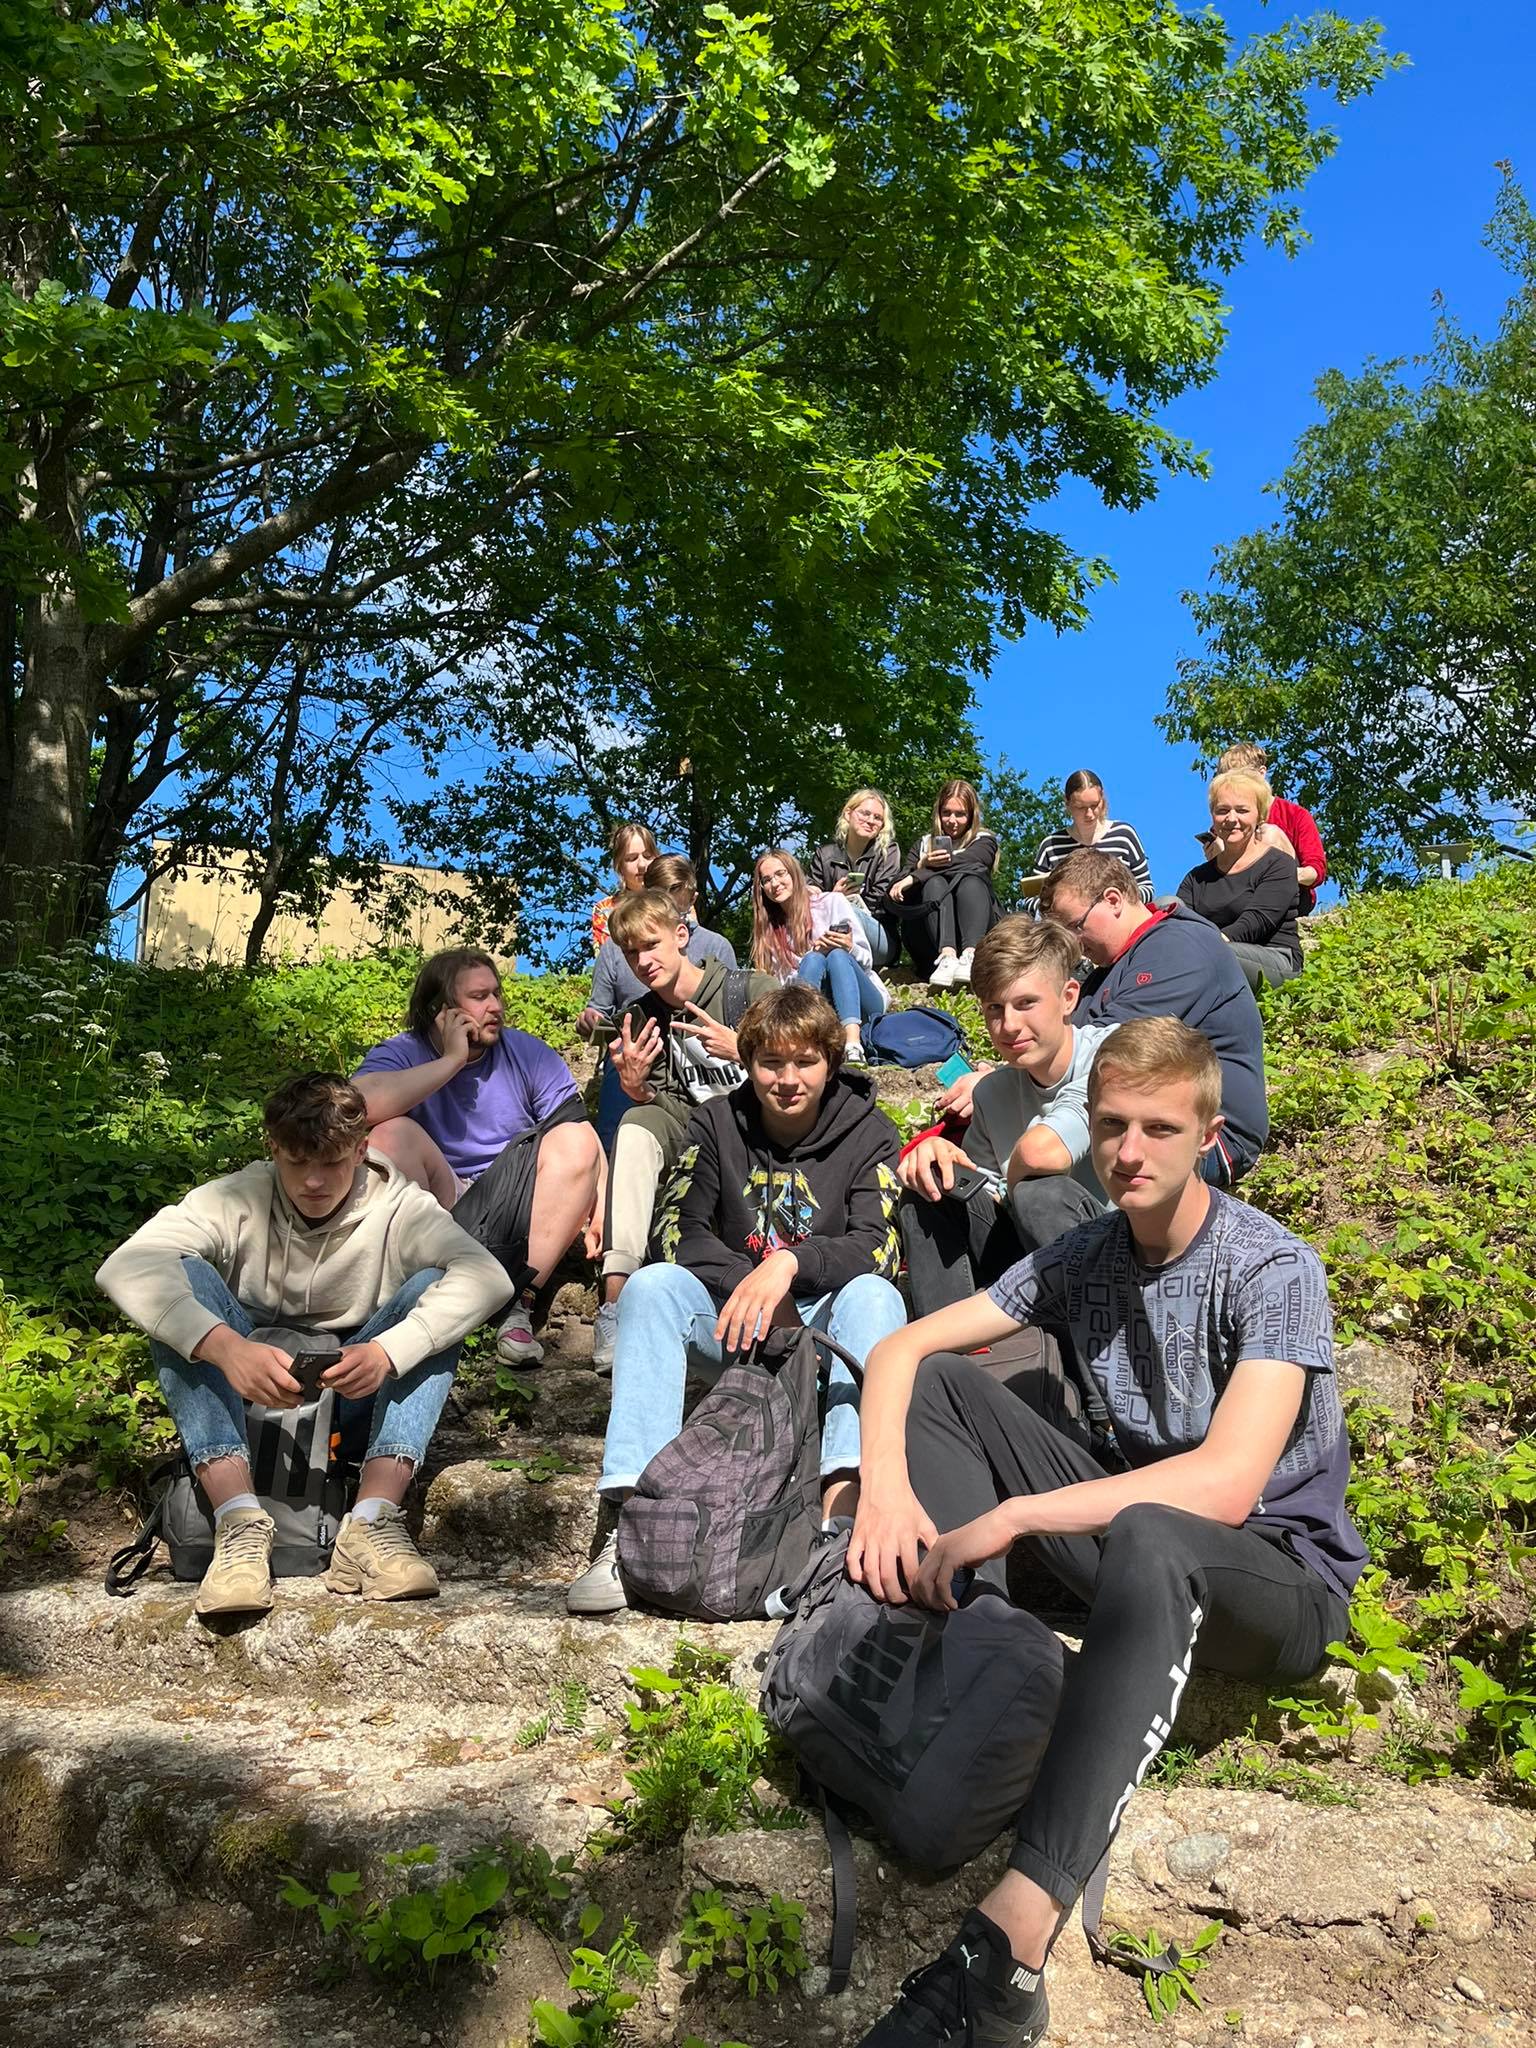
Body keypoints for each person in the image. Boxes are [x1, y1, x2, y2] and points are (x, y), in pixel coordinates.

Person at [849, 1018, 1366, 2048]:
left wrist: (1013, 1514)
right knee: (948, 1385)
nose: (1130, 1150)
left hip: (1277, 1576)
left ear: (1208, 1135)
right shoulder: (1085, 1252)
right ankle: (980, 1658)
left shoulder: (1272, 1266)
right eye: (1113, 1124)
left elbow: (1224, 1486)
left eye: (1159, 1128)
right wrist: (883, 1492)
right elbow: (905, 1349)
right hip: (1138, 1545)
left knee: (1158, 1531)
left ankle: (1010, 1945)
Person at [96, 1073, 510, 1619]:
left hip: (350, 1397)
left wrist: (389, 1351)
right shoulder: (236, 1196)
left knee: (434, 1292)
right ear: (273, 1148)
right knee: (180, 1280)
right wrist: (224, 1348)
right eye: (296, 1162)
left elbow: (488, 1278)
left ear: (361, 1150)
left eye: (333, 1162)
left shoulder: (400, 1206)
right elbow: (126, 1265)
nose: (314, 1181)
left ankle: (372, 1523)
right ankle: (238, 1523)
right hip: (242, 1394)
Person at [567, 985, 907, 1614]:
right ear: (746, 1061)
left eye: (805, 1061)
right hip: (734, 1319)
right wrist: (746, 1281)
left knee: (876, 1295)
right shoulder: (716, 1122)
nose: (787, 1079)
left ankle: (841, 1519)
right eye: (770, 1062)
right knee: (651, 1286)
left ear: (831, 1062)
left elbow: (877, 1245)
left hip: (826, 1327)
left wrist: (789, 1265)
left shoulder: (870, 1131)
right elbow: (677, 1228)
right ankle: (632, 1528)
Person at [353, 949, 603, 1367]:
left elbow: (581, 1131)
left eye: (496, 994)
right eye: (479, 997)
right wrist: (451, 1061)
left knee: (575, 1139)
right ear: (440, 1009)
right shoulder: (404, 1052)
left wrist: (602, 1201)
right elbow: (356, 1107)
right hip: (441, 1202)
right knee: (390, 1134)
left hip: (517, 1202)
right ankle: (421, 1296)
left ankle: (517, 1302)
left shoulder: (527, 1053)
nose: (495, 1006)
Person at [592, 889, 778, 1371]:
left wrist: (746, 1050)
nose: (642, 961)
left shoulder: (750, 991)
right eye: (630, 952)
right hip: (696, 1137)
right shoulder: (641, 1017)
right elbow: (668, 1108)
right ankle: (615, 1302)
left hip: (760, 1131)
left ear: (680, 936)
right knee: (635, 1124)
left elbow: (811, 1064)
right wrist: (636, 1089)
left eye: (651, 944)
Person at [898, 919, 1109, 1315]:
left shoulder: (1111, 1058)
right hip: (1032, 1258)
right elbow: (987, 1195)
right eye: (994, 1008)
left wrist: (1011, 1187)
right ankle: (947, 1345)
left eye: (1026, 1003)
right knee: (931, 1187)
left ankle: (1090, 1342)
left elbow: (1043, 1154)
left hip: (1116, 1260)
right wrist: (942, 1158)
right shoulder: (991, 1092)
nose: (1009, 1026)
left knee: (1039, 1194)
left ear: (1068, 998)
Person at [579, 854, 737, 1155]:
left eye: (674, 889)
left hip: (707, 1057)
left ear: (691, 896)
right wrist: (591, 1021)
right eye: (657, 889)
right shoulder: (614, 950)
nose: (643, 961)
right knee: (623, 1074)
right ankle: (611, 1156)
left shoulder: (717, 947)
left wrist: (742, 1048)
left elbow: (731, 1005)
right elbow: (598, 1009)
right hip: (640, 1046)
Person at [751, 847, 888, 1066]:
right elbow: (783, 987)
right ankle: (803, 1041)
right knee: (814, 960)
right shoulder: (771, 932)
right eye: (766, 880)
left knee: (836, 956)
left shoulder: (832, 902)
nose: (774, 884)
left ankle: (853, 1045)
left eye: (780, 874)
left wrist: (849, 947)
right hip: (819, 1008)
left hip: (863, 1001)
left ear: (794, 874)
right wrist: (813, 956)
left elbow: (867, 961)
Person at [1177, 770, 1303, 993]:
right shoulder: (1196, 878)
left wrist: (1209, 943)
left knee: (1212, 955)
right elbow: (1179, 923)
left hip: (1274, 959)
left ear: (1260, 816)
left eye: (1242, 810)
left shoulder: (1279, 864)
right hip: (1208, 955)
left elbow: (1257, 921)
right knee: (1167, 907)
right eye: (1222, 810)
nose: (1231, 819)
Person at [889, 779, 1001, 986]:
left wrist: (918, 874)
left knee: (971, 879)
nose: (952, 821)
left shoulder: (984, 842)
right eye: (946, 813)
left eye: (960, 814)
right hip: (928, 941)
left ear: (971, 815)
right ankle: (947, 956)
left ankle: (970, 955)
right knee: (935, 883)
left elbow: (974, 863)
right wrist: (921, 866)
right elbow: (896, 889)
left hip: (977, 930)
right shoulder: (922, 845)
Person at [1217, 744, 1328, 916]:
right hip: (1241, 898)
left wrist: (1280, 875)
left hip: (1291, 897)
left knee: (1268, 834)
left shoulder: (1295, 815)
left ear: (1261, 773)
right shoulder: (1228, 821)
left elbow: (1315, 871)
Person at [807, 788, 904, 968]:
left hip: (879, 937)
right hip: (831, 934)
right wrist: (830, 897)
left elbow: (879, 900)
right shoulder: (824, 855)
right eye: (865, 813)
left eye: (877, 817)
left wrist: (837, 901)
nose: (870, 821)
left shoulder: (888, 853)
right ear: (848, 814)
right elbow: (812, 901)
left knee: (841, 908)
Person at [1031, 770, 1153, 903]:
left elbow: (1147, 889)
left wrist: (1116, 901)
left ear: (1103, 799)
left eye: (1094, 805)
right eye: (1080, 807)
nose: (1089, 814)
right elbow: (1030, 899)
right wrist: (1061, 906)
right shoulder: (1051, 846)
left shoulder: (1124, 835)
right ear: (1067, 804)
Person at [590, 820, 658, 953]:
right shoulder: (605, 910)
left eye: (647, 856)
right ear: (619, 866)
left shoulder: (675, 898)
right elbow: (606, 959)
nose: (642, 865)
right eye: (632, 858)